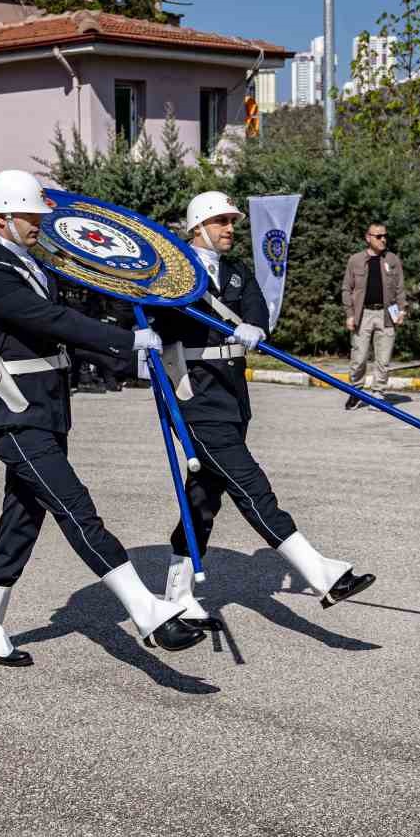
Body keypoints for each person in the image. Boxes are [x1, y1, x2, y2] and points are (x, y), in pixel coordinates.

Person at [0, 169, 204, 667]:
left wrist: (129, 358)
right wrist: (125, 340)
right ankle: (146, 611)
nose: (39, 225)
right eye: (31, 217)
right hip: (14, 415)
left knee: (21, 523)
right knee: (77, 509)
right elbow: (53, 322)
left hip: (46, 412)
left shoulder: (34, 267)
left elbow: (60, 342)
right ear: (3, 219)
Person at [152, 192, 376, 627]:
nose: (230, 229)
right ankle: (319, 572)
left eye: (232, 222)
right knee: (251, 485)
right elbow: (164, 322)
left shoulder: (236, 272)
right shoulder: (175, 275)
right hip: (194, 398)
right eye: (220, 222)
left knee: (202, 498)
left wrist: (254, 326)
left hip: (233, 397)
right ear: (197, 227)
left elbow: (257, 311)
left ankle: (177, 597)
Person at [341, 222, 406, 409]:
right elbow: (347, 288)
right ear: (368, 237)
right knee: (359, 357)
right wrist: (349, 314)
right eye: (378, 236)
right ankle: (355, 392)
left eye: (385, 236)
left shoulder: (392, 260)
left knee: (383, 359)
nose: (383, 239)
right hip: (363, 315)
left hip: (386, 314)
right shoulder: (355, 260)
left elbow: (400, 287)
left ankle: (378, 394)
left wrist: (402, 309)